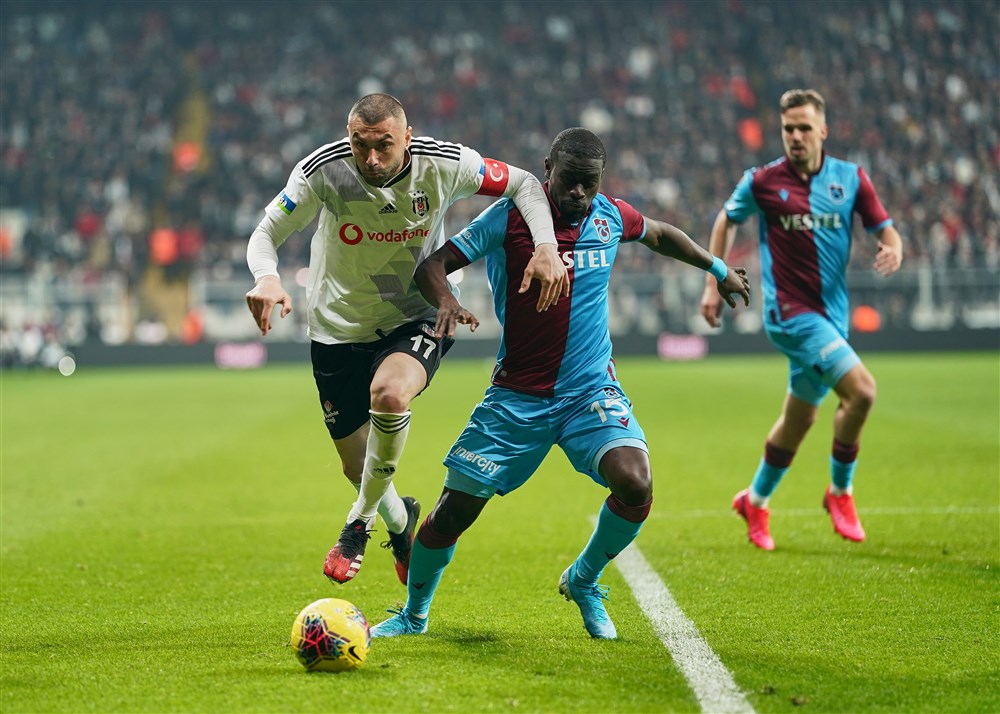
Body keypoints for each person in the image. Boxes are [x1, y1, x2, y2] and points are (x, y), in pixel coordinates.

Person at [368, 127, 750, 640]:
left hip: (589, 393)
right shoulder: (508, 217)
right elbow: (433, 266)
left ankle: (584, 579)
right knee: (451, 515)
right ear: (548, 168)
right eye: (570, 180)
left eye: (590, 183)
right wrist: (447, 301)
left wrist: (718, 268)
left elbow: (659, 234)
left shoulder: (610, 215)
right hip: (516, 397)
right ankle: (415, 614)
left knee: (636, 482)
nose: (579, 193)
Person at [245, 93, 570, 586]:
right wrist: (267, 277)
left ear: (408, 138)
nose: (371, 158)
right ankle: (401, 526)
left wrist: (545, 245)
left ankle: (358, 523)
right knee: (358, 468)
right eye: (360, 144)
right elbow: (266, 233)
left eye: (384, 145)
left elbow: (524, 182)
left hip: (418, 314)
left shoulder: (445, 164)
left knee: (391, 394)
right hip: (338, 328)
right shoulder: (323, 171)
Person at [699, 88, 903, 551]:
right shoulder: (762, 181)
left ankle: (755, 500)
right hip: (789, 315)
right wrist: (714, 282)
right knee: (863, 392)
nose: (795, 136)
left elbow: (886, 229)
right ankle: (840, 492)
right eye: (788, 128)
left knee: (800, 418)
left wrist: (894, 248)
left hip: (832, 317)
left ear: (822, 131)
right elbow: (726, 219)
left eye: (804, 128)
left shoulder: (850, 178)